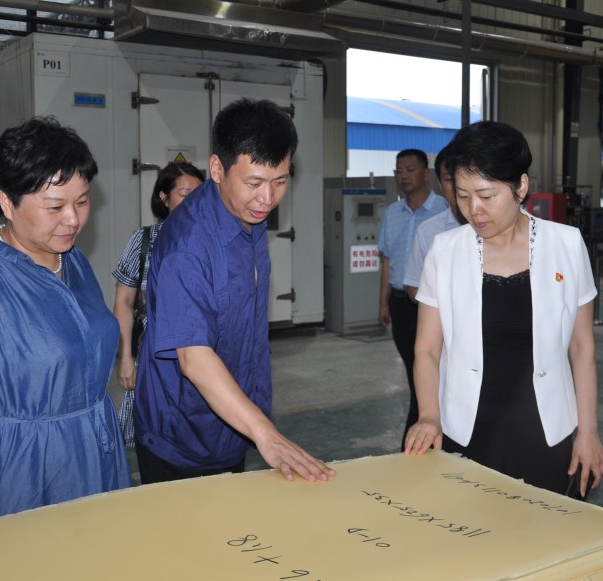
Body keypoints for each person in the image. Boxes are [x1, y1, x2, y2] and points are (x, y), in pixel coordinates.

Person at [0, 117, 130, 530]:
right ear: (8, 203)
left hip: (94, 453)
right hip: (20, 470)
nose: (73, 220)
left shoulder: (74, 263)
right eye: (55, 207)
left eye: (83, 202)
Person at [134, 98, 335, 484]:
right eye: (254, 183)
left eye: (280, 181)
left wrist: (254, 423)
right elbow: (193, 357)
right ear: (217, 169)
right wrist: (264, 432)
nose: (268, 199)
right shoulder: (187, 245)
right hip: (185, 435)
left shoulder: (247, 214)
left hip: (234, 419)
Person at [404, 122, 603, 498]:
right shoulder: (445, 251)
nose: (473, 210)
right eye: (462, 196)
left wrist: (588, 431)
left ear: (521, 187)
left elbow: (582, 348)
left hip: (546, 430)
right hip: (467, 428)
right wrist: (429, 415)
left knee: (544, 526)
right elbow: (427, 349)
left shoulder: (566, 244)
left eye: (486, 195)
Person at [112, 162, 205, 447]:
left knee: (199, 438)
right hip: (152, 357)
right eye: (185, 194)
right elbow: (124, 301)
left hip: (202, 356)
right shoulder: (144, 241)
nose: (194, 202)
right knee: (153, 436)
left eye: (200, 194)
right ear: (164, 198)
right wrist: (126, 358)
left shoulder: (212, 243)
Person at [377, 148, 448, 446]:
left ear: (425, 174)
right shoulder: (393, 213)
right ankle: (425, 426)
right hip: (400, 303)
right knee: (413, 369)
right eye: (398, 171)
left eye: (409, 170)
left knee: (431, 368)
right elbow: (387, 261)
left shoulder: (446, 211)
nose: (403, 176)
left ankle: (420, 432)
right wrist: (383, 302)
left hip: (431, 306)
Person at [404, 145, 465, 300]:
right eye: (449, 179)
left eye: (464, 177)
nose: (458, 186)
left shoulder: (496, 225)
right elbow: (414, 288)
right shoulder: (428, 231)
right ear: (439, 183)